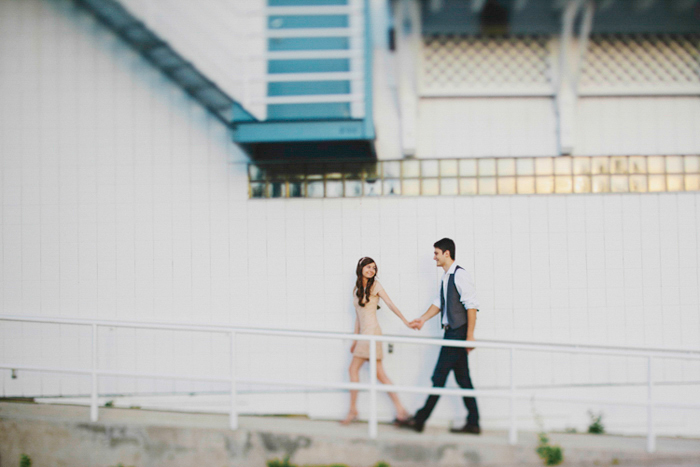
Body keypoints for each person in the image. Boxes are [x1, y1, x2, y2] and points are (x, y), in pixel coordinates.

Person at [397, 238, 481, 434]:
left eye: (436, 253)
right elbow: (439, 302)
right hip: (452, 333)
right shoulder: (446, 277)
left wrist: (469, 336)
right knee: (463, 379)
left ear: (447, 253)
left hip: (457, 334)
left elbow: (472, 305)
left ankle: (419, 420)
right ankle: (474, 423)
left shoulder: (460, 275)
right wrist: (423, 319)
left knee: (439, 377)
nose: (434, 257)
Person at [341, 256, 414, 425]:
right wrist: (354, 339)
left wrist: (405, 320)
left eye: (374, 268)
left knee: (355, 370)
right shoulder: (356, 289)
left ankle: (353, 410)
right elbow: (358, 317)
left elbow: (390, 304)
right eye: (368, 267)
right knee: (379, 374)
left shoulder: (375, 286)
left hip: (372, 333)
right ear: (361, 268)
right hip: (364, 335)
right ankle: (400, 410)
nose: (371, 270)